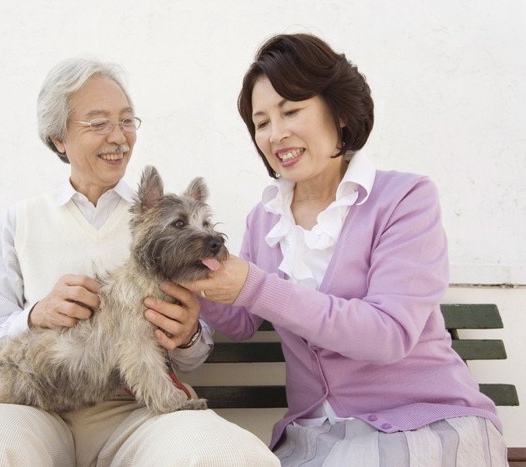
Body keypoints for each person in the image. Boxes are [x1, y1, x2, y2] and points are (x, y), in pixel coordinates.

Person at [0, 58, 280, 466]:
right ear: (58, 139)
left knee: (222, 453)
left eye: (126, 121)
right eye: (98, 122)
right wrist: (35, 315)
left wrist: (189, 335)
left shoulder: (167, 224)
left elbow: (193, 355)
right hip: (32, 406)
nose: (119, 137)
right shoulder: (17, 223)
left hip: (136, 412)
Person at [182, 33, 508, 466]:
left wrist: (255, 286)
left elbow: (388, 335)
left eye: (291, 110)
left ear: (336, 111)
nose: (276, 133)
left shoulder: (404, 199)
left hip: (425, 425)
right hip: (318, 438)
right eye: (261, 122)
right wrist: (191, 279)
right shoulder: (266, 219)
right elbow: (242, 320)